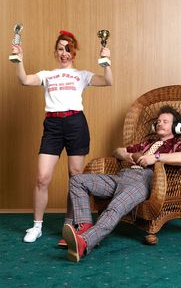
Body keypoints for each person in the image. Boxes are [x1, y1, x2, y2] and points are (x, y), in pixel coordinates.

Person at [11, 30, 113, 243]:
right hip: (53, 125)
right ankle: (36, 226)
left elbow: (107, 81)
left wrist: (106, 61)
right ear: (55, 51)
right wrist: (18, 59)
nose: (64, 53)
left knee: (75, 177)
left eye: (68, 49)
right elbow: (24, 80)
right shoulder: (47, 75)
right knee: (42, 177)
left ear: (74, 52)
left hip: (76, 124)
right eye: (60, 48)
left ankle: (69, 223)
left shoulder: (82, 75)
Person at [62, 105, 181, 263]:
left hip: (144, 180)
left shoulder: (177, 145)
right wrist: (128, 154)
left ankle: (84, 242)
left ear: (176, 127)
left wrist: (156, 157)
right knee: (77, 180)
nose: (160, 123)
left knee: (116, 206)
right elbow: (117, 151)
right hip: (122, 176)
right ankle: (84, 228)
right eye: (158, 121)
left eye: (165, 121)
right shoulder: (147, 144)